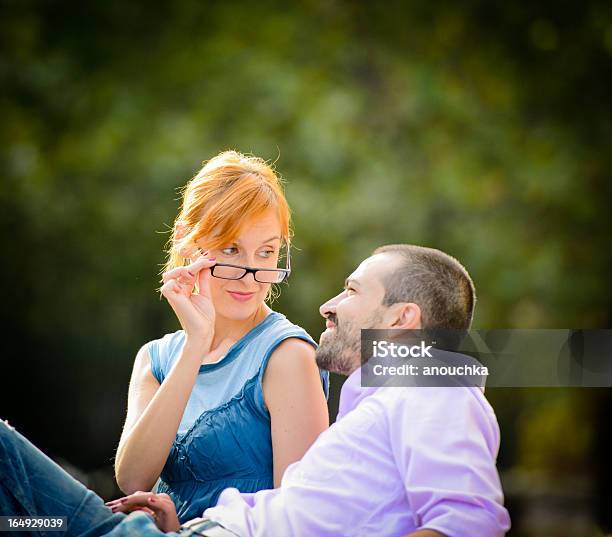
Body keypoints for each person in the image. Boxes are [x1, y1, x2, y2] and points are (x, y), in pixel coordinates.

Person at [0, 244, 511, 536]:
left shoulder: (436, 390)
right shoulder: (382, 406)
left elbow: (468, 521)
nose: (328, 305)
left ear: (403, 319)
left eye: (352, 290)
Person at [113, 150, 330, 523]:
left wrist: (187, 529)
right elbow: (133, 479)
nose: (250, 275)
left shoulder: (287, 355)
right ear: (187, 242)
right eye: (231, 249)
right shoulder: (156, 358)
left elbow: (297, 518)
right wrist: (196, 343)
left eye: (267, 252)